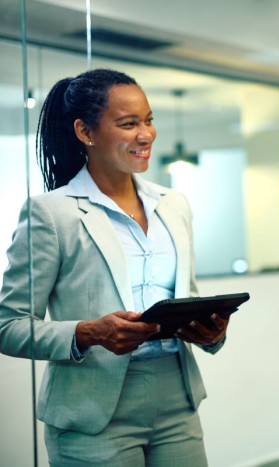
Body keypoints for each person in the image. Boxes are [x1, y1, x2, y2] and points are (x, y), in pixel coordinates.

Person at [0, 69, 229, 466]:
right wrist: (88, 332)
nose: (146, 135)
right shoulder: (52, 214)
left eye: (149, 120)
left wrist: (210, 331)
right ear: (85, 132)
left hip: (178, 399)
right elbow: (9, 325)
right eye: (128, 124)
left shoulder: (174, 205)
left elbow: (186, 295)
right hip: (92, 412)